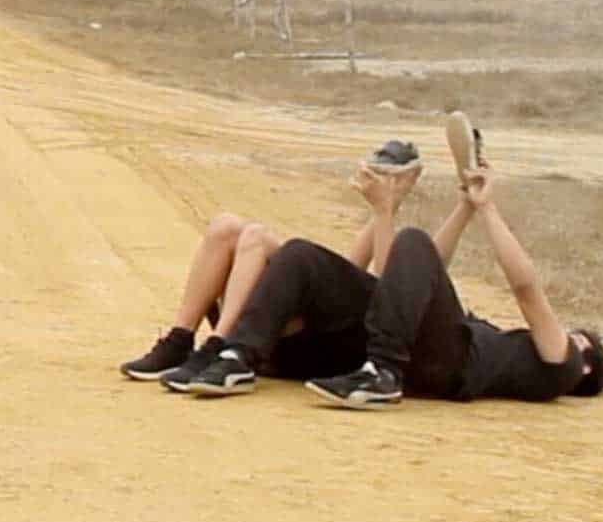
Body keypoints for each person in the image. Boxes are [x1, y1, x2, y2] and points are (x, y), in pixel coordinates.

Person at [118, 140, 431, 392]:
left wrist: (387, 207)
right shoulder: (346, 275)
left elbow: (381, 283)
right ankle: (180, 340)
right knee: (225, 226)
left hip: (289, 345)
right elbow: (348, 273)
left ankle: (219, 345)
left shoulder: (402, 292)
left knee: (256, 236)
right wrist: (387, 203)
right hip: (281, 326)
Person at [305, 165, 603, 408]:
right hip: (434, 366)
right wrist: (466, 207)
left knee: (413, 240)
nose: (563, 332)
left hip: (451, 365)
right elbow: (419, 274)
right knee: (412, 253)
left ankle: (380, 373)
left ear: (585, 364)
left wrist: (489, 209)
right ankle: (380, 371)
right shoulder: (512, 357)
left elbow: (527, 290)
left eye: (577, 336)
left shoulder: (566, 364)